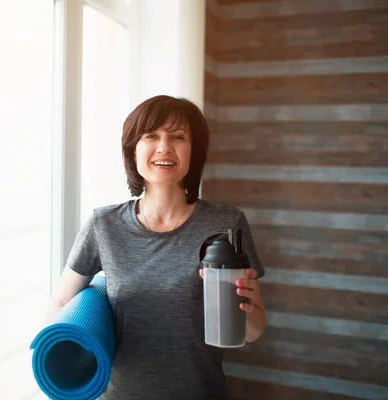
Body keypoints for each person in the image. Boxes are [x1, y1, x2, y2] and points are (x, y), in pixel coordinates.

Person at [45, 95, 266, 399]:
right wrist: (63, 378)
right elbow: (60, 307)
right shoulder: (103, 224)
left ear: (194, 152)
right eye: (151, 136)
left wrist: (249, 308)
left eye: (178, 137)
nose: (164, 146)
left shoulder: (227, 224)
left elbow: (253, 332)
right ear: (133, 150)